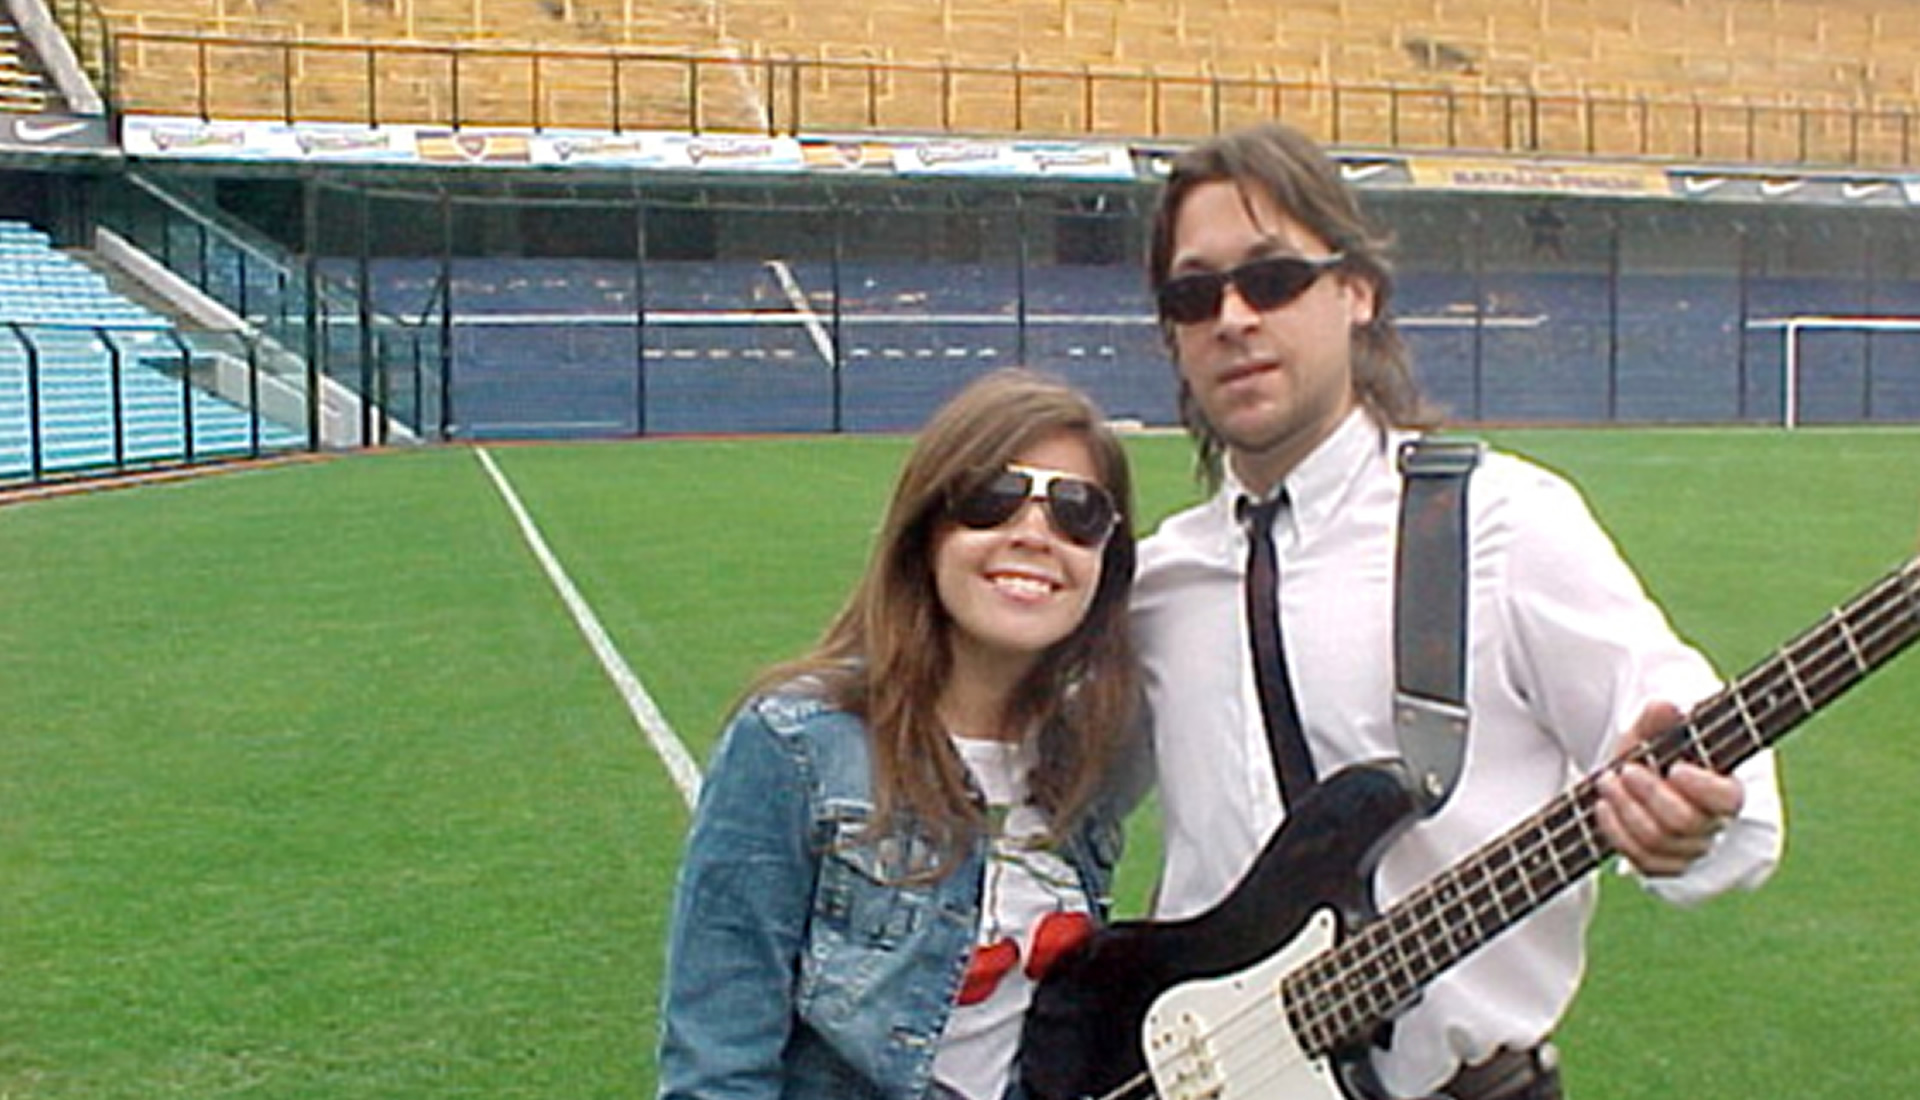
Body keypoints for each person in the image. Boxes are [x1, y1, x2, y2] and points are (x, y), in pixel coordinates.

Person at [1131, 123, 1784, 1100]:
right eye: (1194, 293)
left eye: (1272, 278)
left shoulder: (1503, 522)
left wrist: (1694, 815)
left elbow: (1676, 719)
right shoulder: (1157, 580)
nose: (1232, 317)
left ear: (1357, 291)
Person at [656, 368, 1146, 1100]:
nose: (1034, 534)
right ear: (927, 531)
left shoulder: (1091, 758)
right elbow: (716, 1070)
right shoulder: (795, 746)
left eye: (1078, 511)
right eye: (992, 499)